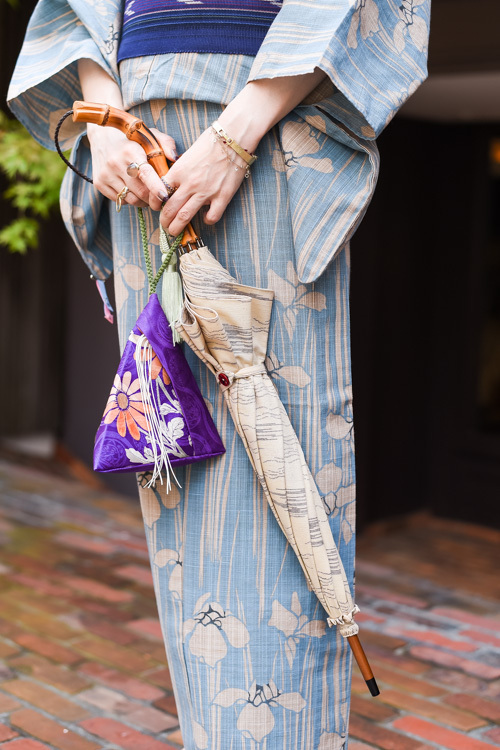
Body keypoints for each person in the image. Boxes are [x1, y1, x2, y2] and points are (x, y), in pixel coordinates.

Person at [8, 2, 430, 747]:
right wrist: (102, 115)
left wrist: (237, 135)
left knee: (281, 484)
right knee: (185, 500)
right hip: (141, 145)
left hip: (267, 123)